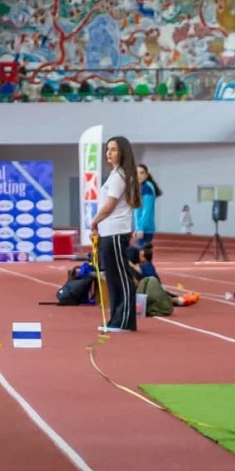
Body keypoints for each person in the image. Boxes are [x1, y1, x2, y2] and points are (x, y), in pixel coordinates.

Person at [90, 136, 141, 333]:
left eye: (113, 149)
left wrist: (94, 221)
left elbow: (109, 206)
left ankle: (126, 321)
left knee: (121, 276)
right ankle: (116, 320)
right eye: (107, 149)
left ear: (122, 153)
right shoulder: (115, 174)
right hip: (108, 232)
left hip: (116, 232)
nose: (108, 153)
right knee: (112, 277)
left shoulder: (120, 176)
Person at [134, 164, 161, 245]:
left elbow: (147, 210)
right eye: (137, 173)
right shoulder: (143, 186)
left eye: (141, 173)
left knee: (143, 255)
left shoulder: (146, 188)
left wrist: (141, 228)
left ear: (146, 175)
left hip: (145, 229)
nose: (139, 176)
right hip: (143, 227)